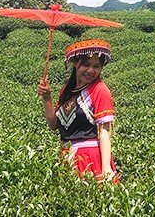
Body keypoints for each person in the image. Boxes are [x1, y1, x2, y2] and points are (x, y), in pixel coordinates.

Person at [37, 39, 120, 182]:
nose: (91, 71)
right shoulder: (67, 91)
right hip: (66, 156)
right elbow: (53, 125)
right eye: (86, 65)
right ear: (75, 63)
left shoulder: (99, 90)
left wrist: (106, 168)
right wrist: (47, 98)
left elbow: (104, 131)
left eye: (96, 66)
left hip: (89, 158)